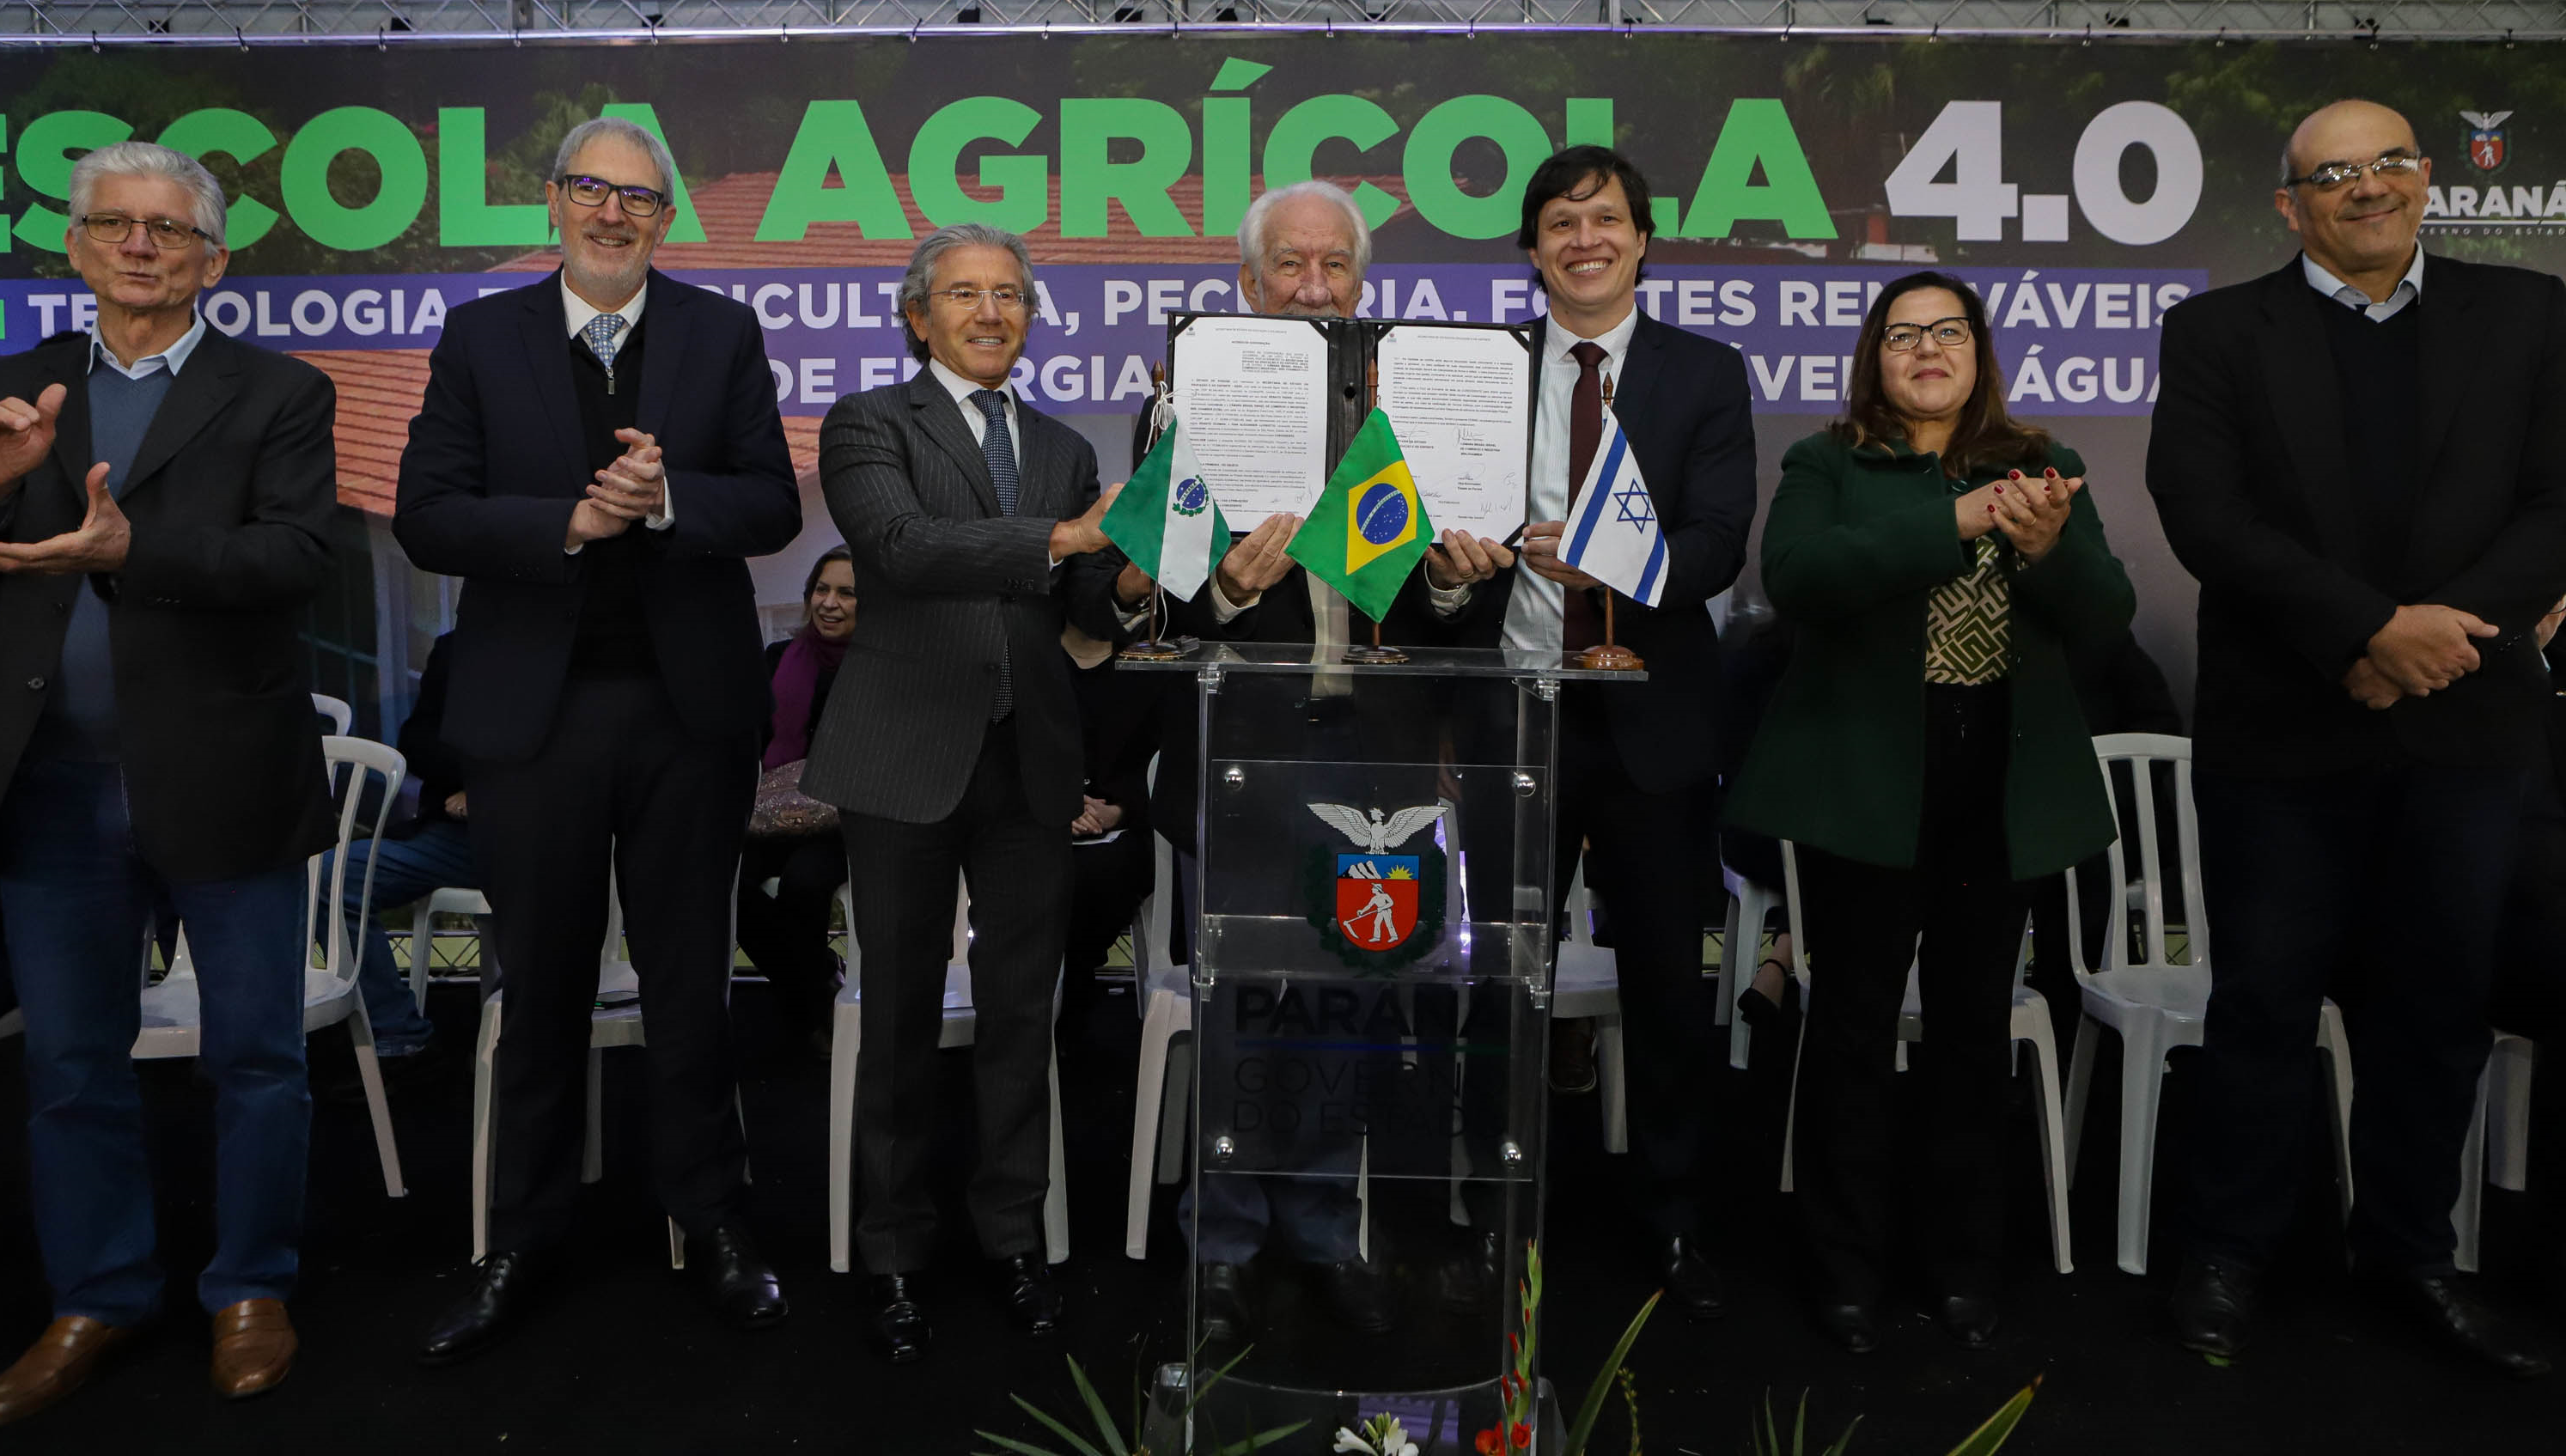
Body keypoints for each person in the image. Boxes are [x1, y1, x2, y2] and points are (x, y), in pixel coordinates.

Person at [2148, 98, 2566, 1379]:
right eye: (2332, 174)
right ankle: (2231, 1253)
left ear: (2425, 177)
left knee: (2436, 1010)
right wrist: (2368, 634)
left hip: (2464, 728)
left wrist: (2439, 644)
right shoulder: (2217, 331)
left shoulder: (2530, 313)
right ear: (2290, 206)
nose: (2365, 187)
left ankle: (2409, 1259)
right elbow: (2202, 513)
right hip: (2282, 733)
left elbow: (2555, 504)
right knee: (2260, 1005)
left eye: (2386, 162)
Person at [395, 116, 802, 1365]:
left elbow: (771, 502)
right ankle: (521, 1237)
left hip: (687, 713)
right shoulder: (480, 337)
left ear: (665, 218)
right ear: (554, 201)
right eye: (591, 189)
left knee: (689, 985)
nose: (613, 213)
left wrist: (667, 498)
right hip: (534, 717)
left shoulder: (722, 333)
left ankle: (711, 1219)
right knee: (540, 986)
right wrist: (571, 521)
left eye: (638, 197)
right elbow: (427, 514)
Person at [1727, 272, 2135, 1353]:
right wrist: (1947, 520)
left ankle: (1961, 1264)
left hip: (1996, 782)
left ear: (1977, 353)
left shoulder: (2040, 464)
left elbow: (2106, 616)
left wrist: (2046, 548)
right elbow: (1797, 576)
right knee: (1852, 1026)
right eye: (1901, 334)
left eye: (1946, 331)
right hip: (1867, 786)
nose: (1925, 349)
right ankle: (1844, 1269)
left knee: (1970, 1029)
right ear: (1874, 358)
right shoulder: (1827, 462)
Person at [0, 141, 338, 1422]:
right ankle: (95, 1294)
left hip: (224, 772)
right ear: (74, 246)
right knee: (70, 1064)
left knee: (256, 1056)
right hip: (49, 785)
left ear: (215, 259)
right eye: (113, 223)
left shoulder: (282, 392)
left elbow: (296, 557)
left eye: (168, 228)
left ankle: (251, 1287)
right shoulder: (13, 395)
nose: (139, 245)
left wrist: (135, 549)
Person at [1433, 145, 1759, 1320]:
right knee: (1497, 982)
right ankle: (1491, 1213)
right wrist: (1444, 565)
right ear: (1529, 249)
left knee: (1667, 986)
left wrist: (1613, 559)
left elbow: (1716, 539)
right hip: (1509, 713)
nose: (1584, 239)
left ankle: (1672, 1218)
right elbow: (1420, 528)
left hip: (1651, 723)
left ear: (1641, 239)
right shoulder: (1478, 372)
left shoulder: (1702, 371)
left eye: (1605, 219)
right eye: (1560, 223)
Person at [806, 222, 1131, 1364]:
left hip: (1030, 757)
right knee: (896, 1015)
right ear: (917, 316)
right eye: (964, 294)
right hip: (903, 753)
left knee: (1019, 1015)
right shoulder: (867, 423)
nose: (990, 313)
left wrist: (1129, 572)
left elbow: (1084, 602)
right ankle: (894, 1252)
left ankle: (1013, 1239)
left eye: (1009, 295)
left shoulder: (1064, 445)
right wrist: (1062, 536)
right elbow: (900, 548)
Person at [312, 631, 475, 1095]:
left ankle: (521, 1037)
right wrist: (475, 777)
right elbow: (417, 740)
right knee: (330, 875)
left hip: (538, 833)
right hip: (453, 834)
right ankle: (399, 1037)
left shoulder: (559, 646)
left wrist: (495, 791)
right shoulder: (457, 647)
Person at [736, 547, 857, 1058]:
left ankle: (806, 1015)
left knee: (804, 884)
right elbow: (752, 738)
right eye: (821, 590)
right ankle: (816, 987)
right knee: (726, 881)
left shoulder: (882, 668)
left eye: (847, 593)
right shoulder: (778, 658)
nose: (829, 603)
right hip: (773, 816)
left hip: (846, 821)